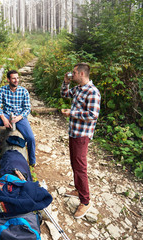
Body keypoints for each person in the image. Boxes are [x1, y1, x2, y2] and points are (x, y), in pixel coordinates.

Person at [60, 63, 101, 219]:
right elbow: (65, 95)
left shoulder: (93, 92)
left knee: (80, 166)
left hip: (82, 135)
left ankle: (85, 201)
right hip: (74, 132)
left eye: (74, 72)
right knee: (74, 163)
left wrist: (72, 113)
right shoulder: (77, 89)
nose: (72, 74)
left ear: (82, 74)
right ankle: (78, 189)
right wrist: (66, 82)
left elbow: (93, 115)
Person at [0, 70, 36, 166]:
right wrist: (3, 118)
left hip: (20, 117)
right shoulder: (2, 90)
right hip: (6, 115)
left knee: (31, 138)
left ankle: (32, 161)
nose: (16, 80)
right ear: (8, 79)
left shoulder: (23, 91)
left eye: (17, 78)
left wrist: (19, 118)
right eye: (13, 78)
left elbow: (27, 108)